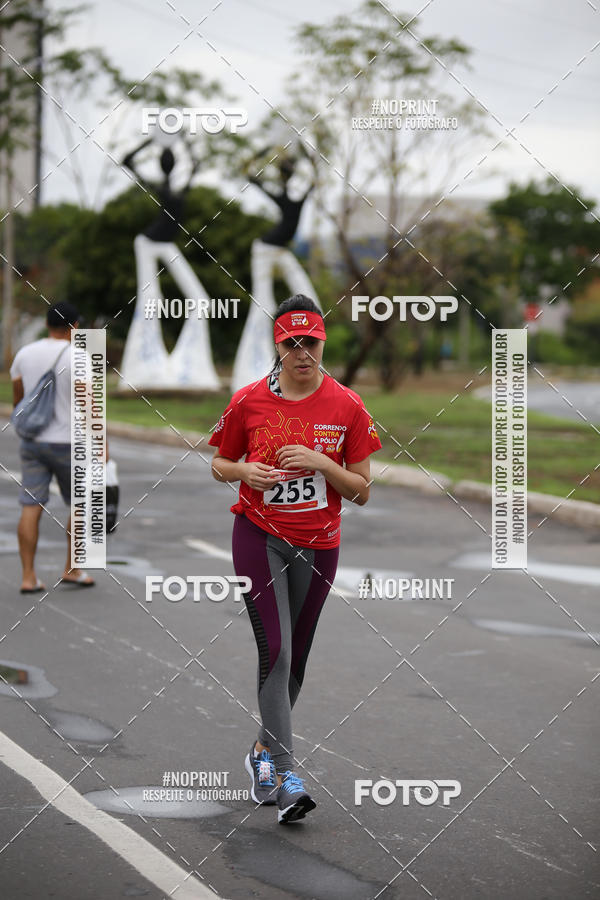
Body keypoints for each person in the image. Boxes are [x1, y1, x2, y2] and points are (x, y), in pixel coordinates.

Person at [209, 293, 382, 824]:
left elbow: (361, 491)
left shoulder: (348, 406)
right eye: (292, 343)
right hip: (258, 536)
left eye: (311, 342)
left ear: (323, 344)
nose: (302, 353)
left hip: (320, 545)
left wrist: (322, 464)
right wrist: (244, 472)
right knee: (277, 651)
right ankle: (287, 778)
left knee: (297, 661)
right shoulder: (248, 401)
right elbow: (219, 463)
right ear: (277, 346)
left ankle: (262, 754)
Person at [10, 302, 95, 593]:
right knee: (80, 505)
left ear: (47, 325)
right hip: (70, 444)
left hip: (33, 442)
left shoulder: (24, 353)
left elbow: (19, 400)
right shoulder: (78, 356)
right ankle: (72, 569)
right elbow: (86, 403)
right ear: (74, 327)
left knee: (30, 505)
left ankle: (28, 577)